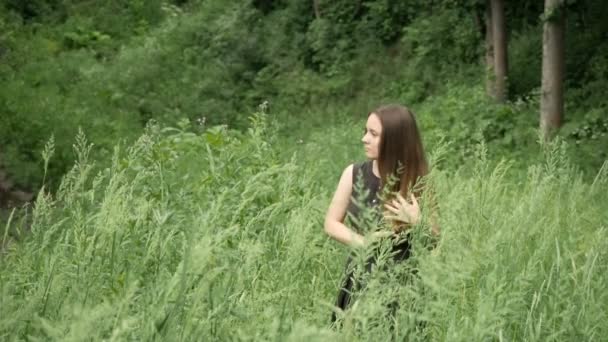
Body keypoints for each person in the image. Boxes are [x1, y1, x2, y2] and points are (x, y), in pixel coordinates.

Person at [324, 104, 440, 327]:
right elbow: (331, 223)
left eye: (374, 134)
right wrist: (362, 242)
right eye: (365, 131)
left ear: (395, 140)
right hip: (360, 280)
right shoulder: (353, 174)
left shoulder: (419, 180)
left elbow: (435, 241)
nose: (365, 139)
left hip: (404, 287)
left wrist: (418, 222)